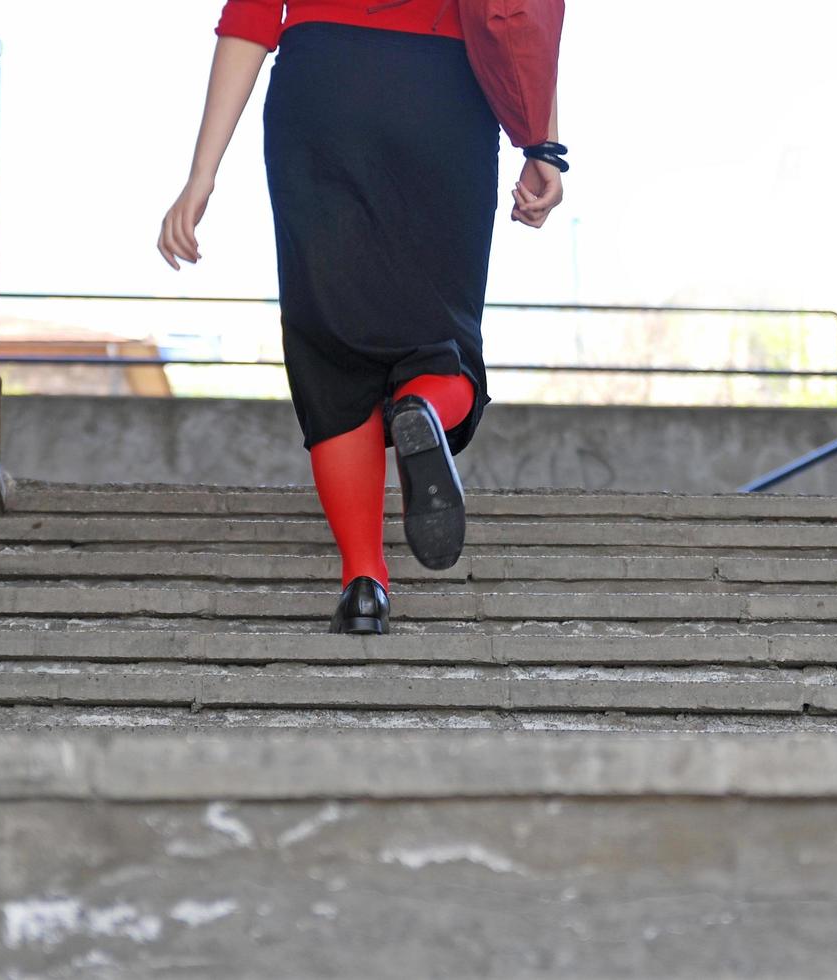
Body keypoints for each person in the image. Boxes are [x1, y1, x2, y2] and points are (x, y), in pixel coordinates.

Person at [159, 0, 565, 634]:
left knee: (332, 351)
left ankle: (363, 584)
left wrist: (200, 176)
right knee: (441, 337)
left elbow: (250, 18)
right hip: (444, 91)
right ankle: (424, 406)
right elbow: (520, 16)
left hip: (319, 89)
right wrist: (543, 141)